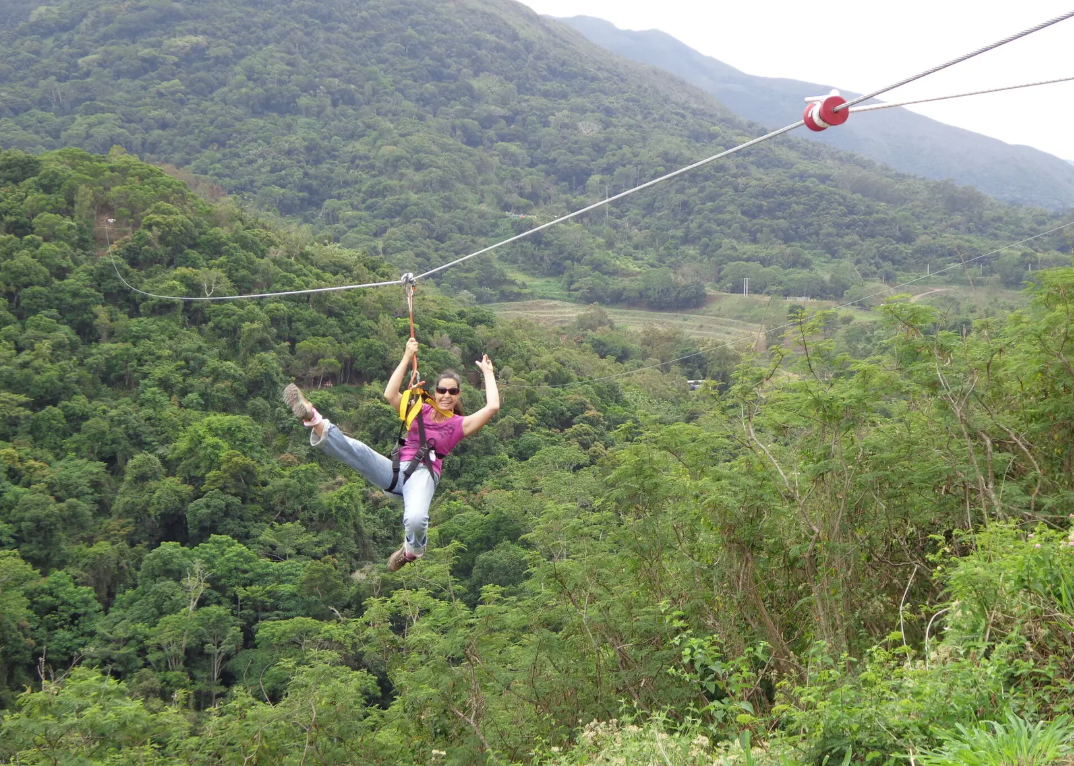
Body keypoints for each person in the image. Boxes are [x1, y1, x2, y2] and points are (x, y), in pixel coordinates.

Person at [283, 338, 500, 571]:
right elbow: (390, 394)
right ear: (435, 392)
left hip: (423, 476)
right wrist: (407, 355)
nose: (447, 395)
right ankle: (312, 417)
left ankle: (411, 550)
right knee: (358, 451)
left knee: (416, 518)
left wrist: (488, 373)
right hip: (396, 471)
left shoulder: (459, 424)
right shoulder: (419, 409)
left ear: (458, 395)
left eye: (452, 391)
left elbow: (492, 407)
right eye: (442, 390)